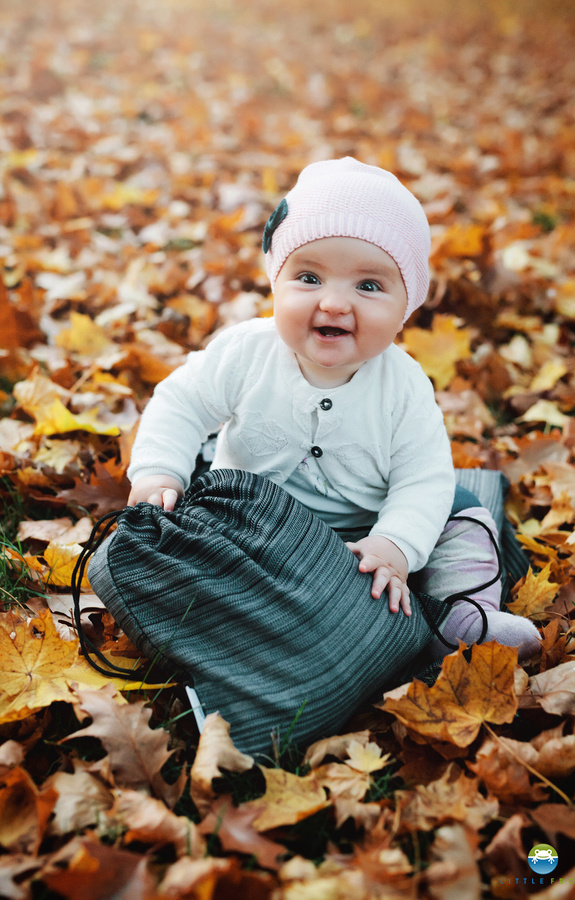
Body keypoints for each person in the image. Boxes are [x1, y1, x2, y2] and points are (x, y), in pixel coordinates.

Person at [124, 157, 539, 662]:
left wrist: (395, 545)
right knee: (194, 524)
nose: (336, 303)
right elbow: (181, 401)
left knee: (461, 514)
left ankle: (459, 615)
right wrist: (159, 472)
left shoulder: (404, 386)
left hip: (367, 540)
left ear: (406, 305)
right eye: (309, 277)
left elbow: (421, 479)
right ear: (275, 283)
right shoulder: (245, 353)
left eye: (368, 286)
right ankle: (230, 617)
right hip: (253, 524)